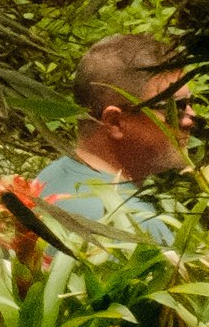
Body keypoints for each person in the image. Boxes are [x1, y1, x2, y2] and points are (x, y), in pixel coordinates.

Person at [25, 34, 191, 246]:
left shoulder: (48, 180)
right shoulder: (134, 224)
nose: (190, 118)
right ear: (115, 122)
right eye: (174, 108)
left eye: (189, 102)